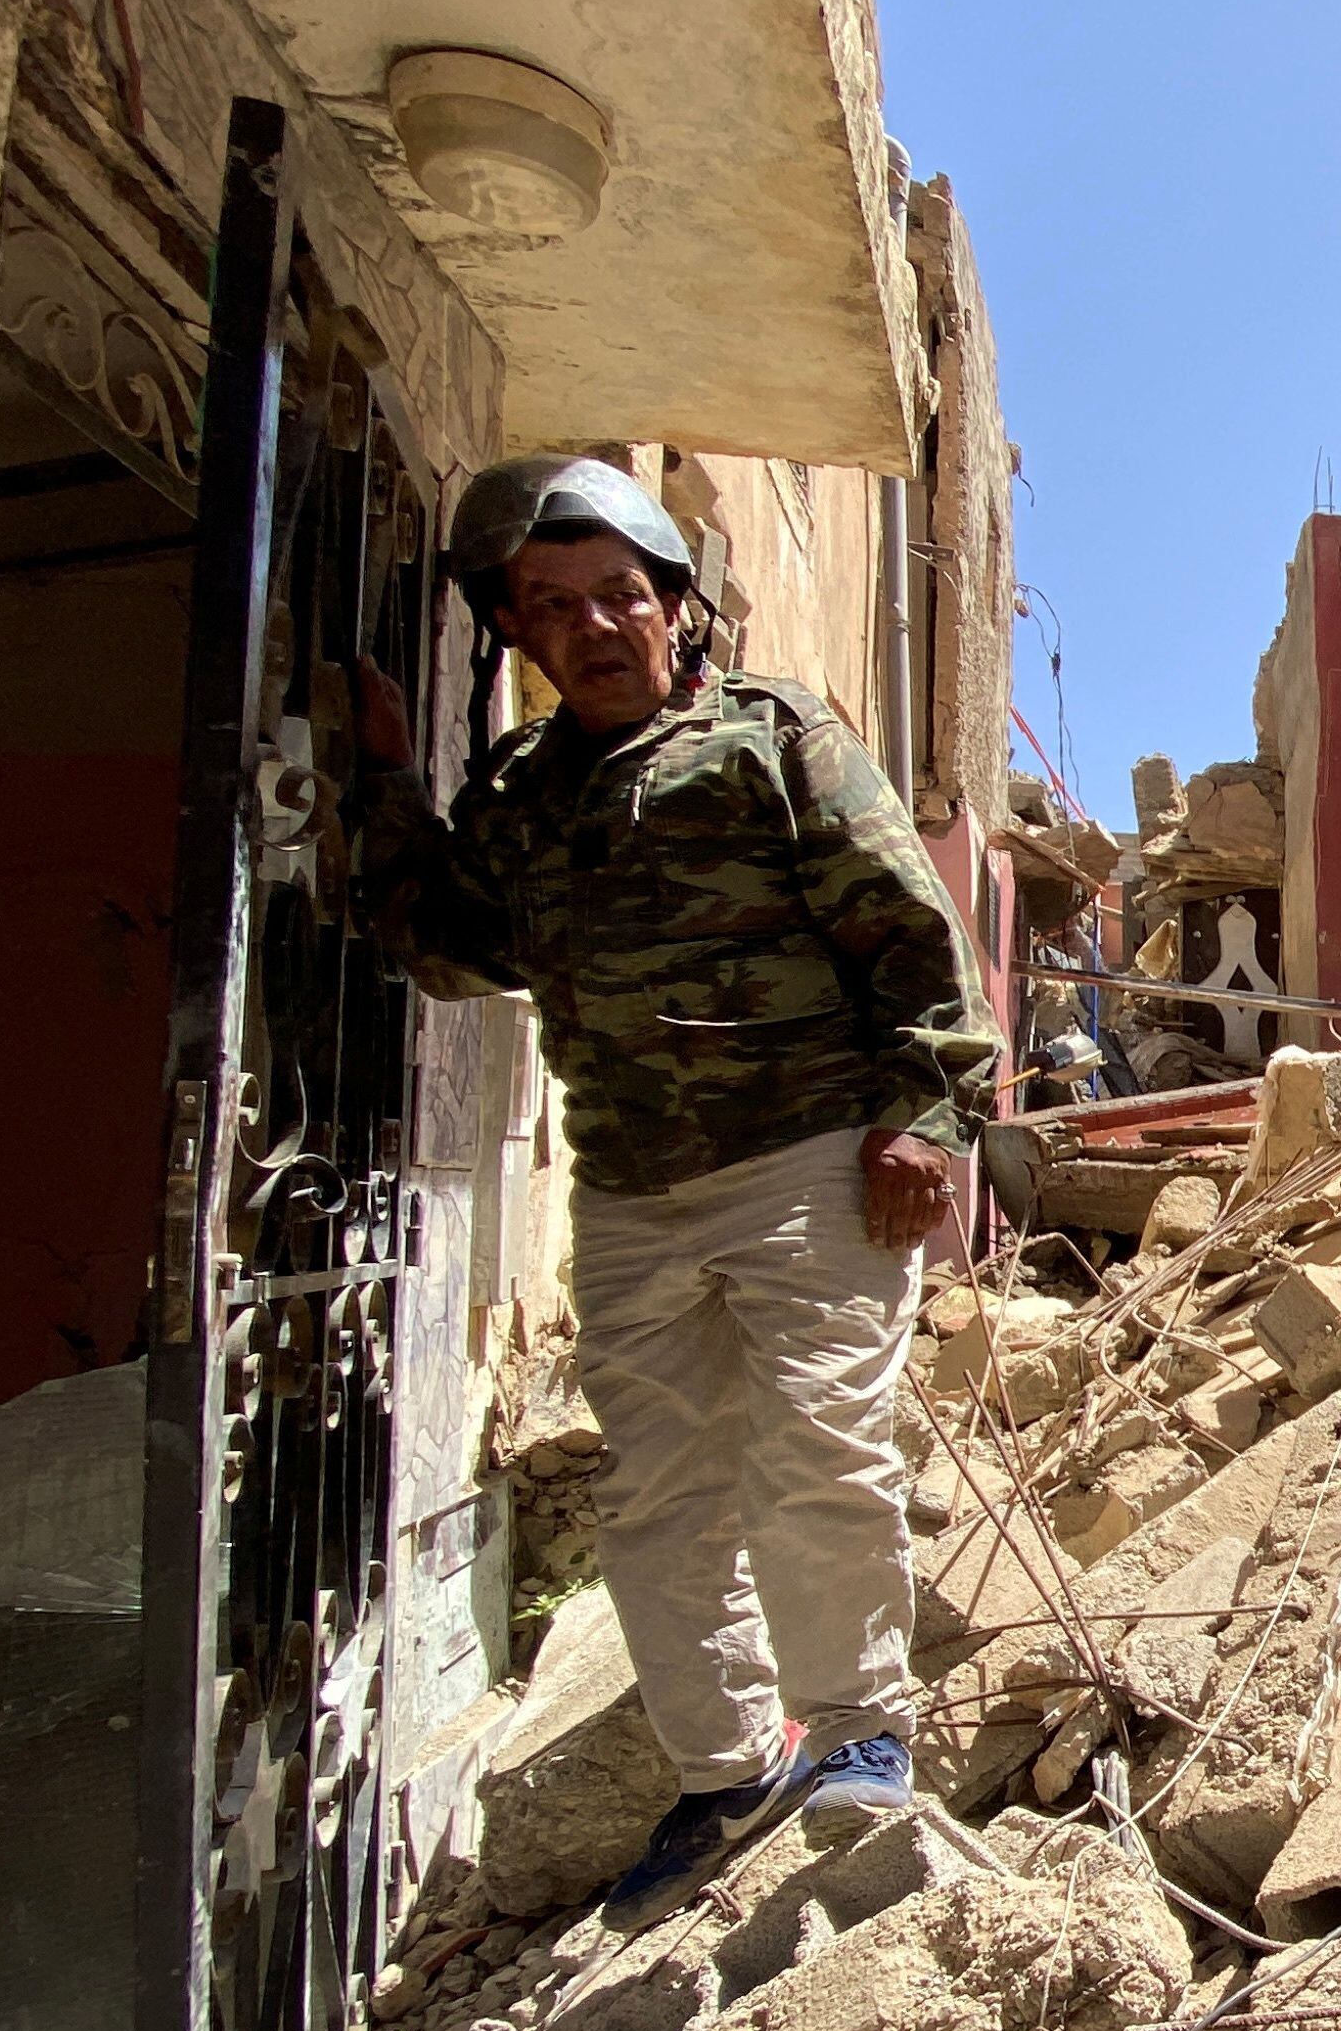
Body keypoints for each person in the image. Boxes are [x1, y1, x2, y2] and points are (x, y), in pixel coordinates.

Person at [347, 455, 1000, 1927]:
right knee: (657, 1498)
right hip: (633, 1188)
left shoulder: (773, 740)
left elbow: (910, 930)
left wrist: (925, 1115)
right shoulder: (520, 799)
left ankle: (857, 1740)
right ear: (516, 634)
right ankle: (727, 1770)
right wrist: (383, 785)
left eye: (618, 597)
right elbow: (452, 944)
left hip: (808, 1164)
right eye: (552, 608)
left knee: (815, 1452)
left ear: (673, 604)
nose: (592, 628)